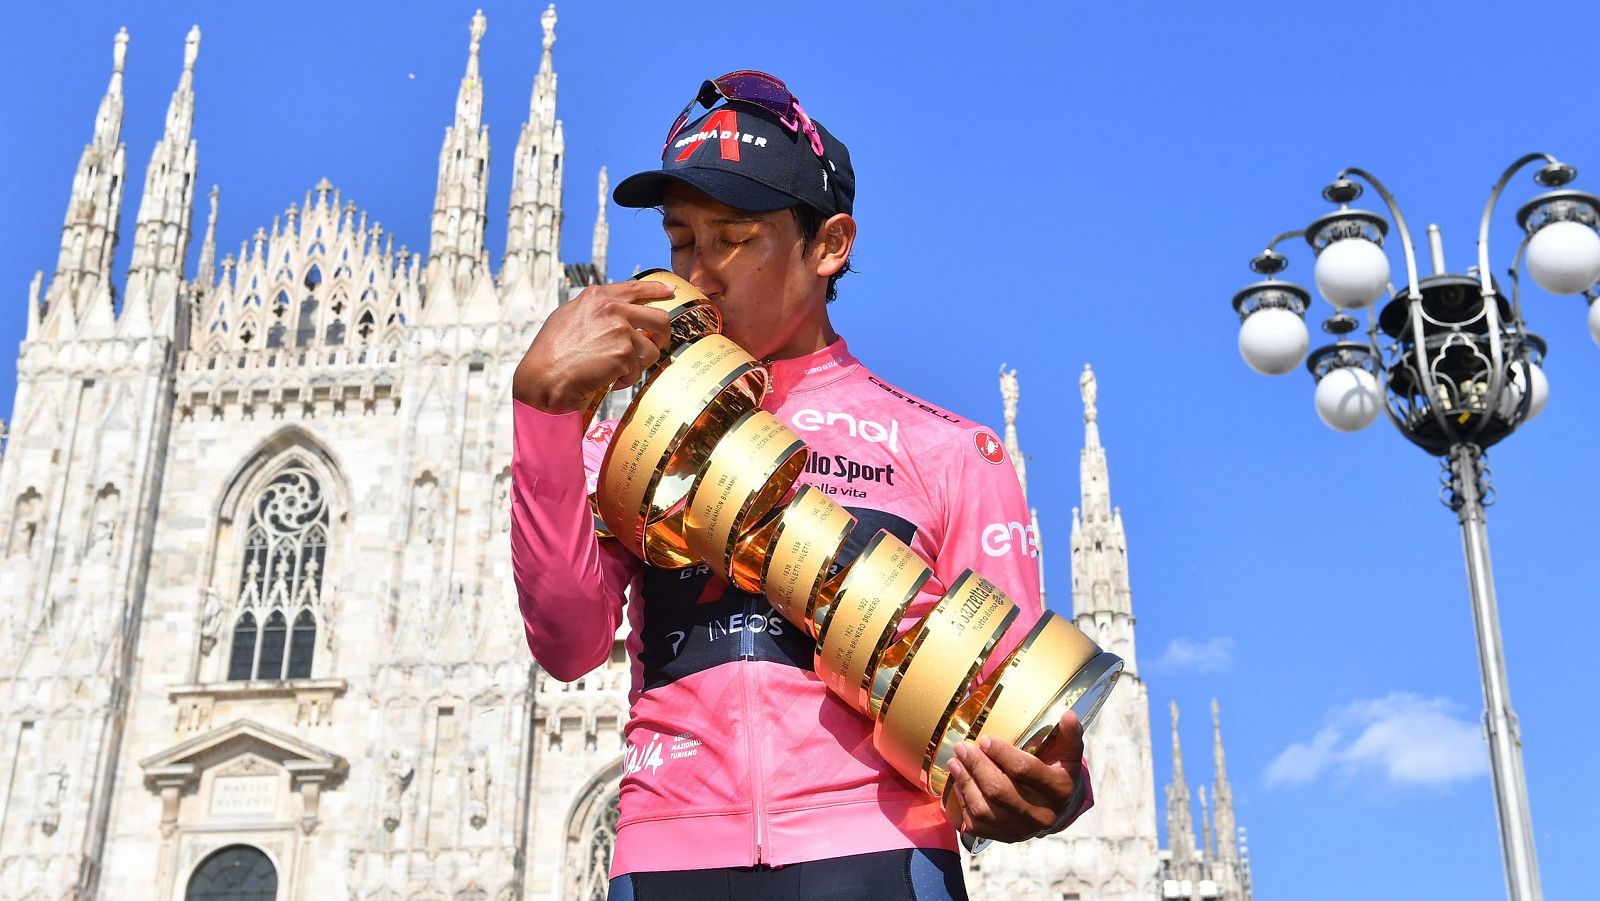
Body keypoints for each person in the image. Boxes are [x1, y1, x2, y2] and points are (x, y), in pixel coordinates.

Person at [510, 71, 1092, 901]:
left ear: (830, 245)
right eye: (682, 240)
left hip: (879, 855)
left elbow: (1027, 724)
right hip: (669, 853)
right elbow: (566, 643)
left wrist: (1050, 790)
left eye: (735, 237)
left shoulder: (950, 451)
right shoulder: (622, 442)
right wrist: (543, 413)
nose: (700, 274)